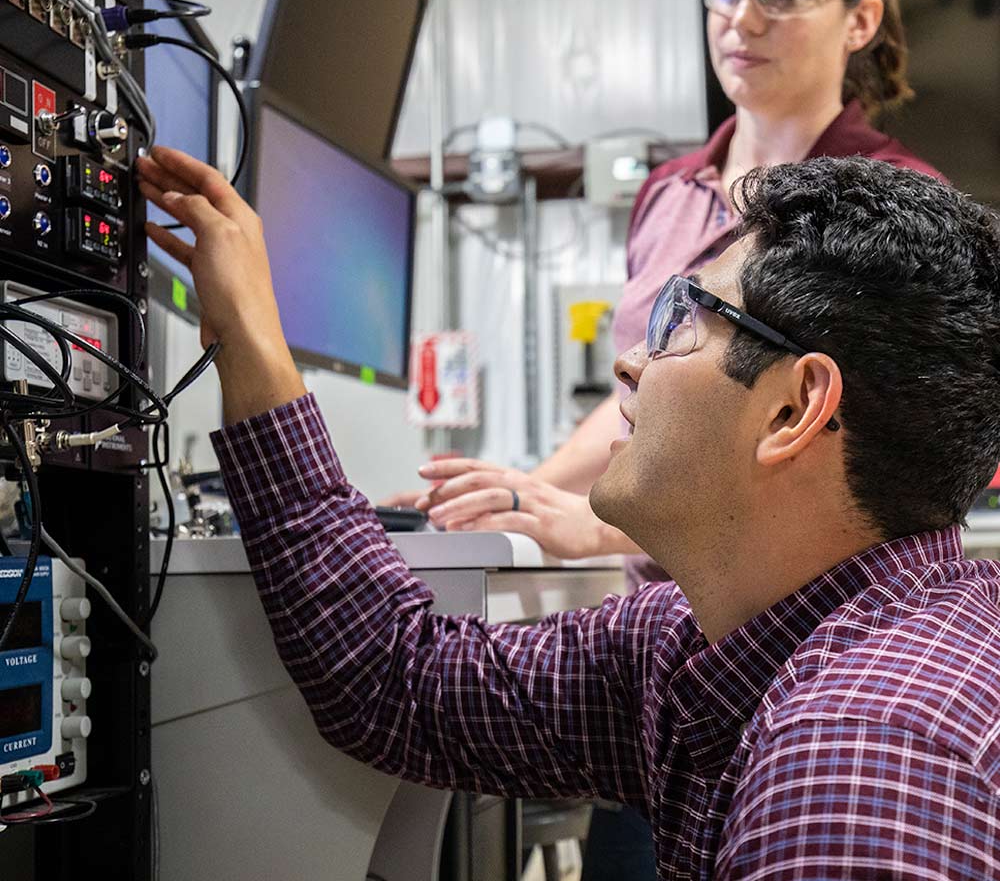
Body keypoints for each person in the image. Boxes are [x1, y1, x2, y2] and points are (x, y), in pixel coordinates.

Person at [140, 142, 1000, 880]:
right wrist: (249, 341)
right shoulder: (707, 641)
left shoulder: (860, 763)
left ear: (791, 409)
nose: (630, 363)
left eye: (679, 319)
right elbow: (399, 681)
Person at [401, 0, 942, 590]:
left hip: (799, 618)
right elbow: (652, 387)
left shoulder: (895, 205)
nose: (741, 20)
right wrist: (516, 494)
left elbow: (845, 452)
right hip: (659, 609)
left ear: (860, 19)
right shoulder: (668, 191)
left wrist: (597, 523)